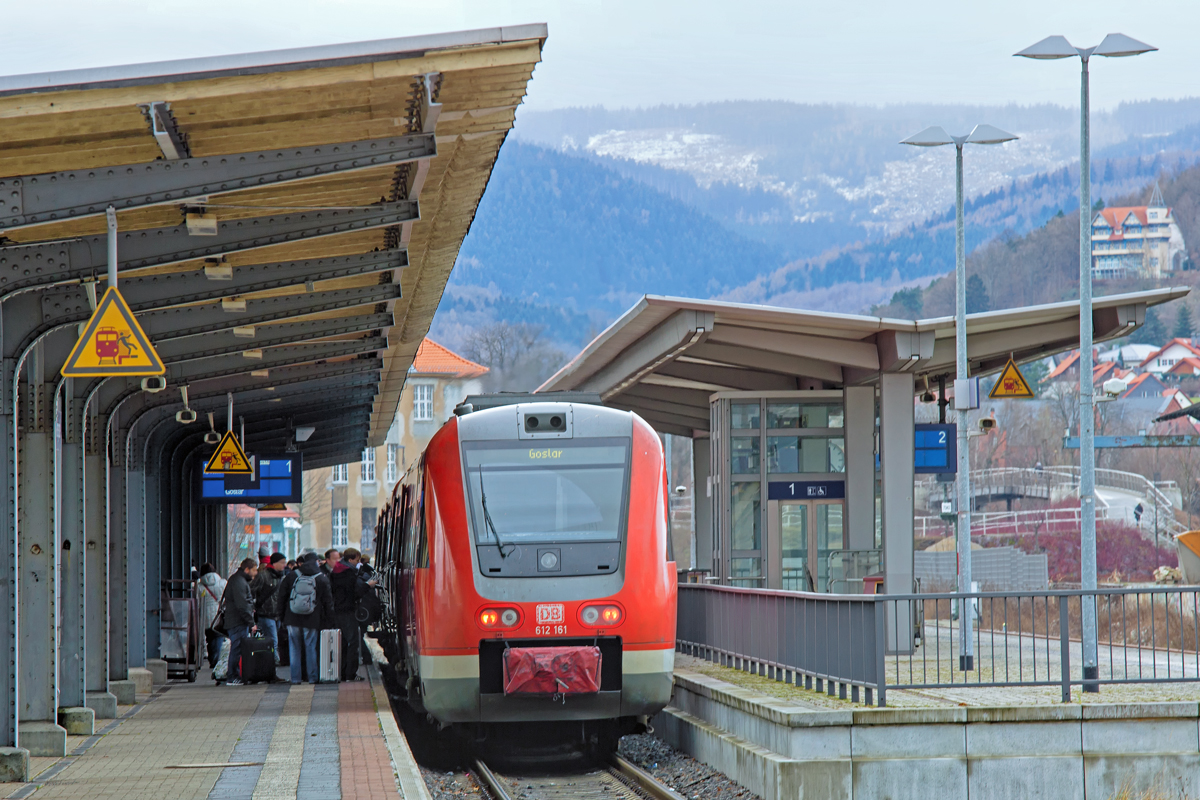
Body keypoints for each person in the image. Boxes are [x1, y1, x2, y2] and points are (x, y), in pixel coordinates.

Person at [275, 551, 334, 684]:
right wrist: (330, 620)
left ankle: (296, 678)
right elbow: (328, 602)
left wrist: (282, 616)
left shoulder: (291, 576)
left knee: (294, 648)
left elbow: (281, 597)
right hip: (312, 618)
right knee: (310, 647)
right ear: (316, 562)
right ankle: (312, 678)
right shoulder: (321, 578)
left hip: (292, 617)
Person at [329, 548, 375, 681]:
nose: (358, 563)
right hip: (348, 611)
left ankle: (342, 672)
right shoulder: (349, 573)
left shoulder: (335, 572)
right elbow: (355, 593)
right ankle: (350, 673)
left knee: (343, 643)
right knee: (353, 642)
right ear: (350, 560)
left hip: (337, 611)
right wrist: (368, 585)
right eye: (357, 560)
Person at [221, 558, 259, 685]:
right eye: (254, 570)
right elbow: (242, 605)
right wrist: (251, 622)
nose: (256, 573)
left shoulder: (237, 579)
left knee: (237, 648)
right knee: (236, 649)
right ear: (247, 569)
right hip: (237, 621)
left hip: (236, 620)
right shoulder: (239, 582)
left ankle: (234, 675)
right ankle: (232, 676)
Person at [252, 553, 287, 663]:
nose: (284, 565)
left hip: (277, 614)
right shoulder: (263, 575)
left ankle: (270, 662)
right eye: (282, 562)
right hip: (265, 613)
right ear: (275, 563)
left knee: (273, 640)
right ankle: (274, 662)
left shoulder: (282, 576)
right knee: (273, 640)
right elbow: (252, 591)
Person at [195, 563, 227, 668]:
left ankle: (212, 658)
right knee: (218, 635)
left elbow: (197, 602)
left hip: (205, 616)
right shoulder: (222, 583)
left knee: (210, 637)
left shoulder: (200, 586)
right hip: (219, 613)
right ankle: (215, 659)